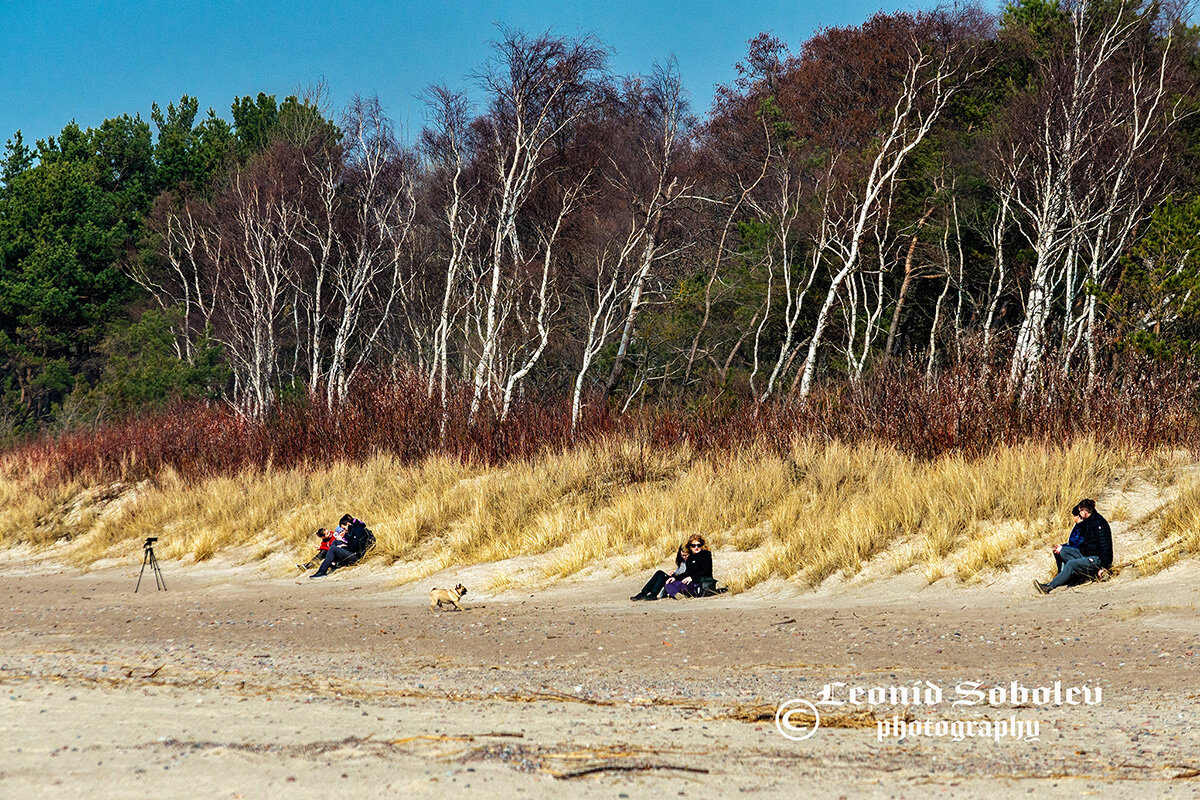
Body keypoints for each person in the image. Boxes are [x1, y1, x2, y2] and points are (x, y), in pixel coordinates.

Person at [1035, 498, 1112, 594]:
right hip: (1085, 554)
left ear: (1084, 511)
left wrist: (1103, 567)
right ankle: (1067, 577)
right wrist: (1063, 547)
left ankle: (1049, 587)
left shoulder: (1098, 523)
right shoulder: (1087, 521)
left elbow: (1106, 547)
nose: (1079, 515)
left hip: (1096, 559)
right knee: (1063, 551)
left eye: (1080, 512)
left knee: (1072, 564)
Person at [631, 535, 714, 601]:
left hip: (700, 582)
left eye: (698, 545)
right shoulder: (690, 558)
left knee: (674, 583)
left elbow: (705, 570)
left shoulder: (705, 554)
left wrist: (691, 577)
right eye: (693, 545)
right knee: (667, 580)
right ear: (690, 547)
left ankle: (657, 594)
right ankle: (644, 593)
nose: (696, 547)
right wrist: (675, 577)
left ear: (702, 545)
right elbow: (687, 573)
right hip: (688, 580)